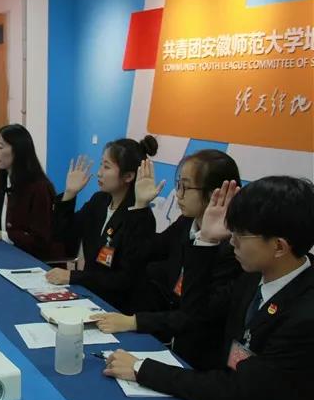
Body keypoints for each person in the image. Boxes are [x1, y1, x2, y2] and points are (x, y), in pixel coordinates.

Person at [104, 177, 314, 400]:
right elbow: (194, 314)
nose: (233, 242)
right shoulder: (255, 275)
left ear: (279, 246)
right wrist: (205, 242)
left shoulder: (304, 316)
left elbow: (237, 390)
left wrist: (142, 369)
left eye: (240, 235)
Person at [93, 150, 243, 370]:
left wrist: (134, 321)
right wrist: (140, 205)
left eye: (185, 187)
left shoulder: (233, 249)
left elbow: (199, 315)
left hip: (201, 357)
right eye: (178, 184)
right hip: (171, 337)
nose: (178, 194)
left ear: (215, 193)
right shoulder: (186, 223)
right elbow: (141, 254)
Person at [46, 136, 158, 309]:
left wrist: (74, 276)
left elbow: (124, 279)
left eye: (107, 167)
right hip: (89, 294)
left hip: (116, 307)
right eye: (101, 164)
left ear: (128, 176)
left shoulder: (140, 217)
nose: (99, 173)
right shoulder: (99, 200)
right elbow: (62, 237)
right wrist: (69, 194)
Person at [0, 124, 59, 260]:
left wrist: (2, 235)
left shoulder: (39, 188)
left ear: (19, 149)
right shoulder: (5, 182)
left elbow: (40, 239)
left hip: (30, 258)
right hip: (3, 252)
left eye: (0, 147)